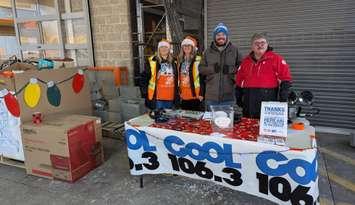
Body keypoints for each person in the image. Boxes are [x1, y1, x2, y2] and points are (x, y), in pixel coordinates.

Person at [235, 32, 292, 118]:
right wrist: (238, 97)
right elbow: (239, 80)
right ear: (252, 46)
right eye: (256, 43)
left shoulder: (276, 59)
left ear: (267, 44)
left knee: (266, 129)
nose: (260, 45)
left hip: (269, 102)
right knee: (248, 127)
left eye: (262, 43)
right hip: (249, 102)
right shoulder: (245, 61)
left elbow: (286, 79)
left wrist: (283, 99)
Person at [199, 23, 242, 110]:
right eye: (218, 35)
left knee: (227, 122)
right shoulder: (208, 52)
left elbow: (242, 67)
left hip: (229, 96)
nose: (221, 37)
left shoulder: (234, 50)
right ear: (215, 37)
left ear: (227, 36)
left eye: (223, 34)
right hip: (211, 96)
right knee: (211, 122)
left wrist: (230, 69)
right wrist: (212, 69)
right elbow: (201, 69)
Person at [140, 39, 179, 110]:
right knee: (159, 119)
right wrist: (145, 93)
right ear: (158, 49)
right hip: (158, 98)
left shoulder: (175, 61)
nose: (164, 49)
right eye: (161, 47)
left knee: (171, 120)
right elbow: (144, 78)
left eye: (166, 47)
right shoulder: (152, 61)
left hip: (171, 97)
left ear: (169, 49)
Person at [177, 36, 203, 111]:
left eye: (189, 45)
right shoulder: (180, 60)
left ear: (193, 47)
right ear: (182, 47)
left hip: (196, 95)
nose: (186, 47)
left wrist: (201, 93)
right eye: (185, 45)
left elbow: (203, 78)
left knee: (196, 120)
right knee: (185, 120)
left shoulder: (199, 60)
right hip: (184, 95)